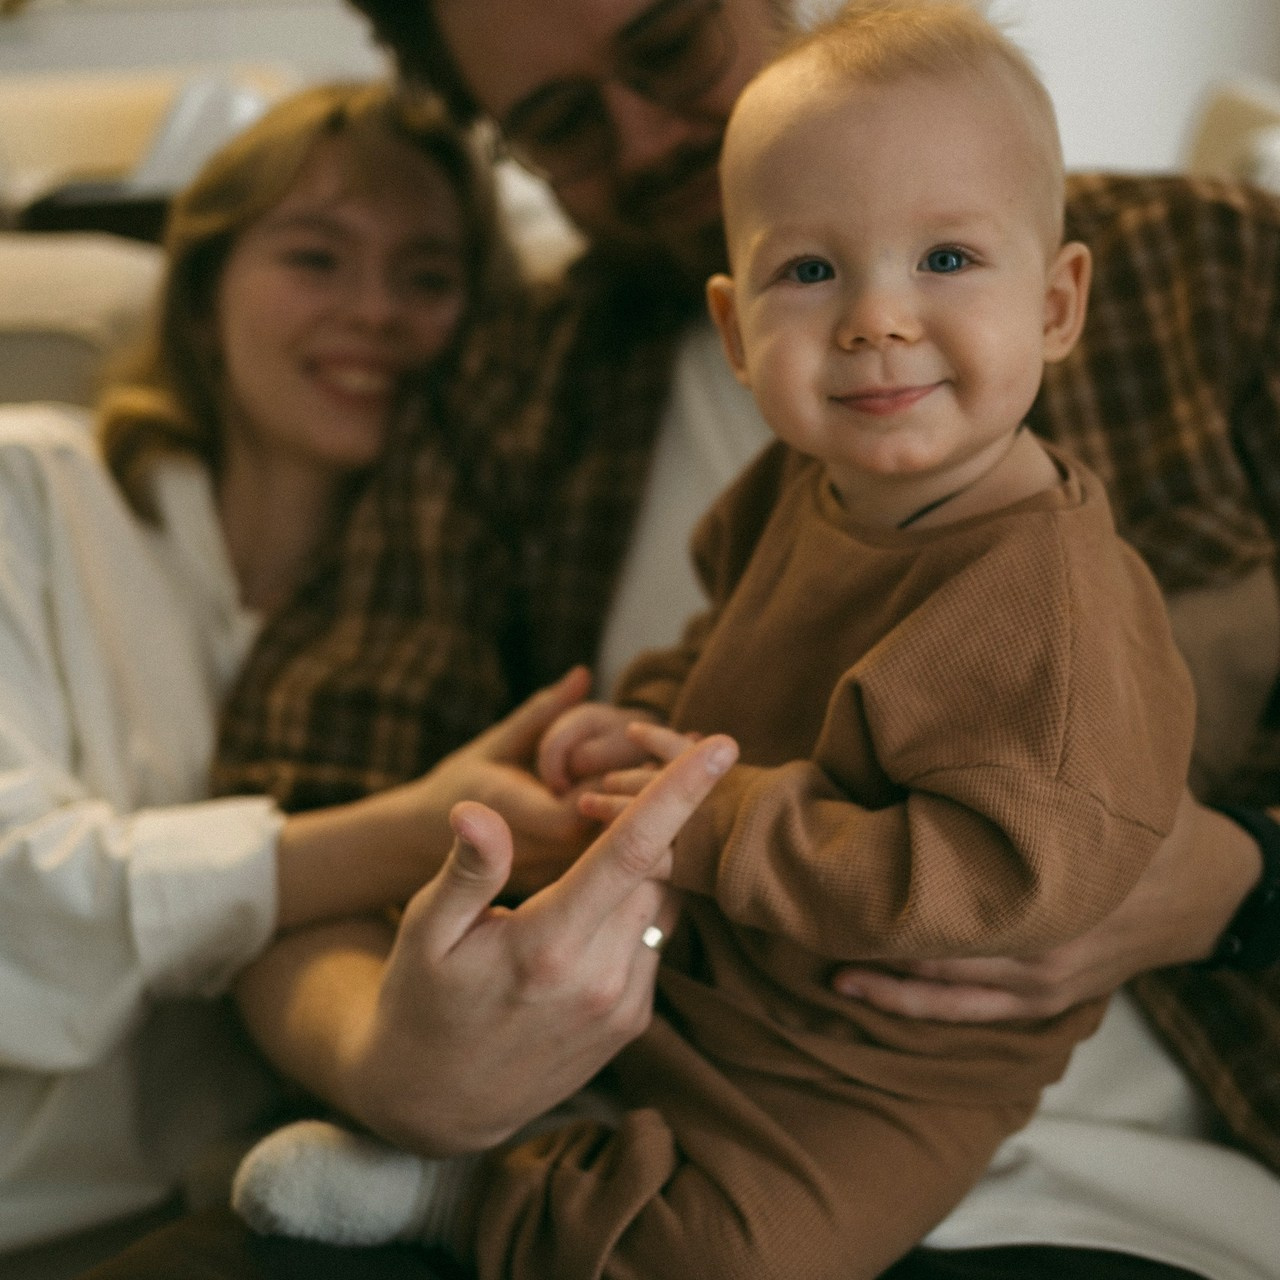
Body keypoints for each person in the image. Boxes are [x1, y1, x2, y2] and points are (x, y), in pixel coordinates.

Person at [84, 0, 1280, 1276]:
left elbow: (964, 853)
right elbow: (304, 796)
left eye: (666, 46)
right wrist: (393, 1057)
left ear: (1055, 300)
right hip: (638, 1056)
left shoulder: (1201, 272)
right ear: (733, 321)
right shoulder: (541, 392)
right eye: (559, 125)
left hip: (1082, 1170)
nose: (644, 132)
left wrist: (1248, 875)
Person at [0, 77, 731, 1279]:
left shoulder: (455, 617)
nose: (374, 314)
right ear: (203, 288)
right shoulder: (36, 492)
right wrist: (401, 829)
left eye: (429, 277)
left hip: (254, 1212)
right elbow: (22, 897)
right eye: (315, 257)